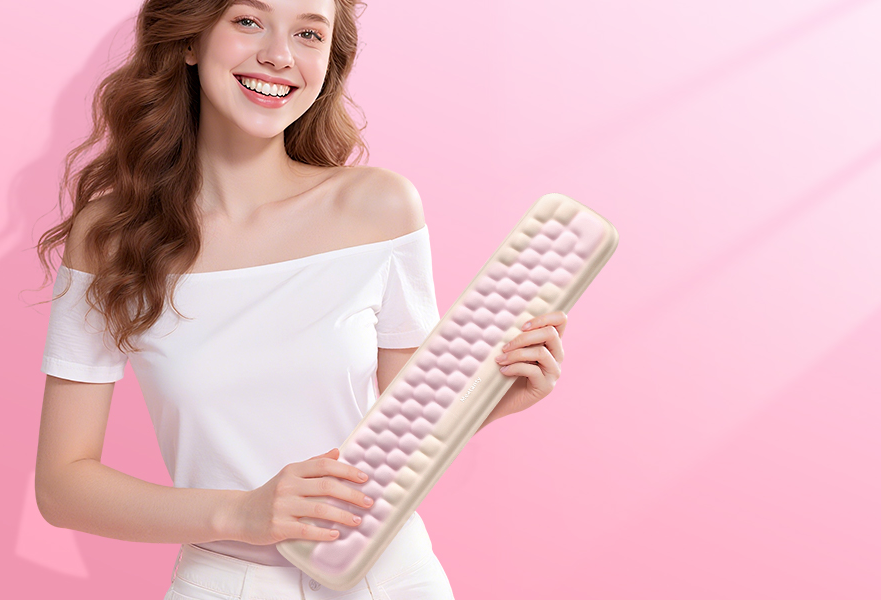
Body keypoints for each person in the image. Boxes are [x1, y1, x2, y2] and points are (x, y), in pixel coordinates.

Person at [33, 0, 568, 597]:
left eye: (309, 33)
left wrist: (490, 400)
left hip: (389, 577)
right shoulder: (112, 239)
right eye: (248, 21)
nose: (280, 55)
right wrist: (241, 513)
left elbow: (405, 429)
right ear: (188, 40)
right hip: (226, 584)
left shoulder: (379, 209)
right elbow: (62, 485)